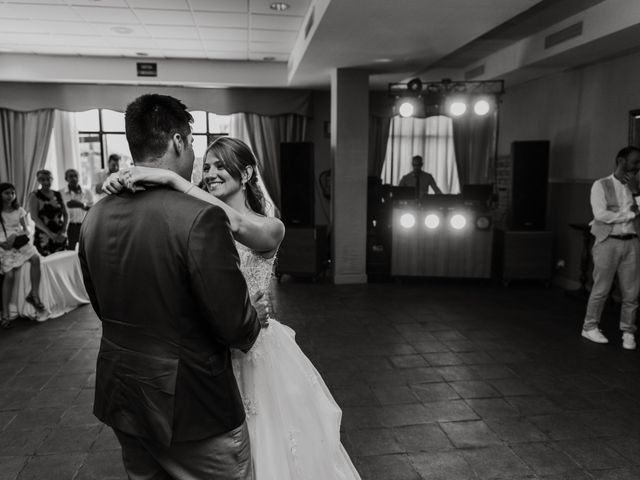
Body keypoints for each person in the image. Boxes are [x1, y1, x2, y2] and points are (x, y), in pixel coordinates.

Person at [104, 136, 362, 480]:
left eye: (220, 165)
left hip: (256, 352)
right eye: (206, 166)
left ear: (247, 173)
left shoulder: (271, 227)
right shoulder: (194, 221)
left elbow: (237, 226)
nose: (210, 173)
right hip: (209, 352)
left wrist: (171, 178)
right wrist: (123, 182)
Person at [79, 94, 264, 480]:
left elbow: (100, 304)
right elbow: (234, 325)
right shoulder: (200, 218)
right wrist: (253, 320)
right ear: (178, 141)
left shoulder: (95, 215)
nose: (196, 156)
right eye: (194, 143)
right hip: (192, 405)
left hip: (124, 396)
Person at [582, 146, 640, 350]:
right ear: (621, 161)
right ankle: (589, 327)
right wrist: (630, 215)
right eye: (635, 162)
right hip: (608, 241)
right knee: (601, 288)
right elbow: (600, 215)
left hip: (632, 242)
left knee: (631, 293)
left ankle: (628, 332)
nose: (637, 167)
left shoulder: (636, 187)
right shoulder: (600, 185)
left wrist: (635, 191)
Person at [0, 183, 44, 328]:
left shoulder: (19, 210)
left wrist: (15, 236)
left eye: (12, 193)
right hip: (4, 245)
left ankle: (34, 294)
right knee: (9, 276)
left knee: (36, 258)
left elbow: (27, 230)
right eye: (7, 193)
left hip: (19, 243)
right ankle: (5, 314)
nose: (11, 196)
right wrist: (4, 242)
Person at [29, 169, 68, 256]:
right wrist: (51, 234)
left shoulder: (57, 194)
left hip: (59, 233)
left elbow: (65, 214)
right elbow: (34, 217)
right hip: (44, 235)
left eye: (49, 179)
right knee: (48, 264)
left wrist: (63, 230)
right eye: (43, 179)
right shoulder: (34, 195)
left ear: (52, 179)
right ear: (38, 181)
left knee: (62, 260)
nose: (46, 181)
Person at [60, 168, 93, 250]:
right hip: (69, 227)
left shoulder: (87, 192)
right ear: (66, 179)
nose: (74, 178)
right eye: (71, 176)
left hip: (85, 226)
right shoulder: (60, 193)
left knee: (87, 250)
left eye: (76, 176)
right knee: (69, 252)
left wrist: (82, 205)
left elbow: (93, 210)